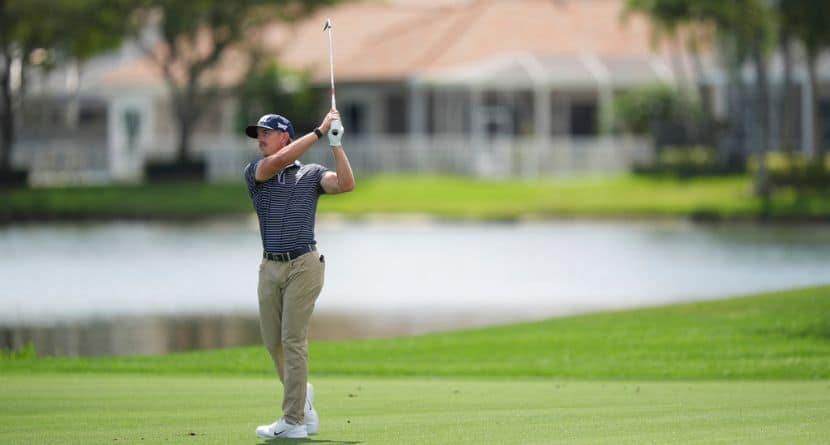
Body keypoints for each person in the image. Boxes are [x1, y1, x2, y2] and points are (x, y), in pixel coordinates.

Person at [244, 110, 354, 439]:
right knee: (271, 342)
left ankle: (294, 421)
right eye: (258, 134)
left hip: (304, 264)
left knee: (293, 339)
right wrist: (319, 131)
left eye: (267, 133)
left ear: (285, 137)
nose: (260, 138)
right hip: (269, 267)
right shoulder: (255, 172)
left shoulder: (311, 174)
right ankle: (302, 396)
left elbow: (346, 184)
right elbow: (276, 163)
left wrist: (336, 144)